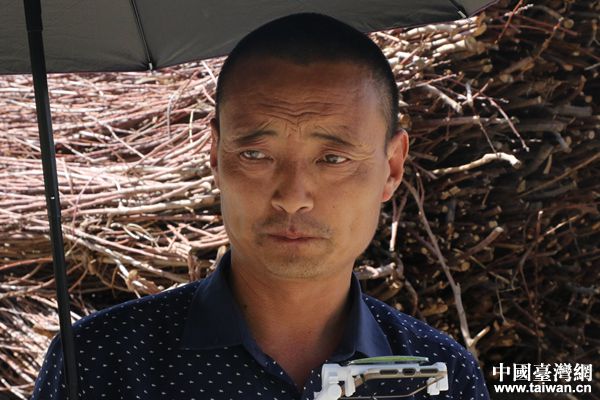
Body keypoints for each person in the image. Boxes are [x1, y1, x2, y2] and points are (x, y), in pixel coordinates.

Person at [31, 13, 491, 400]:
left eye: (332, 158)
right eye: (256, 155)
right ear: (216, 157)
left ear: (391, 168)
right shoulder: (100, 364)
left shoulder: (441, 376)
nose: (292, 196)